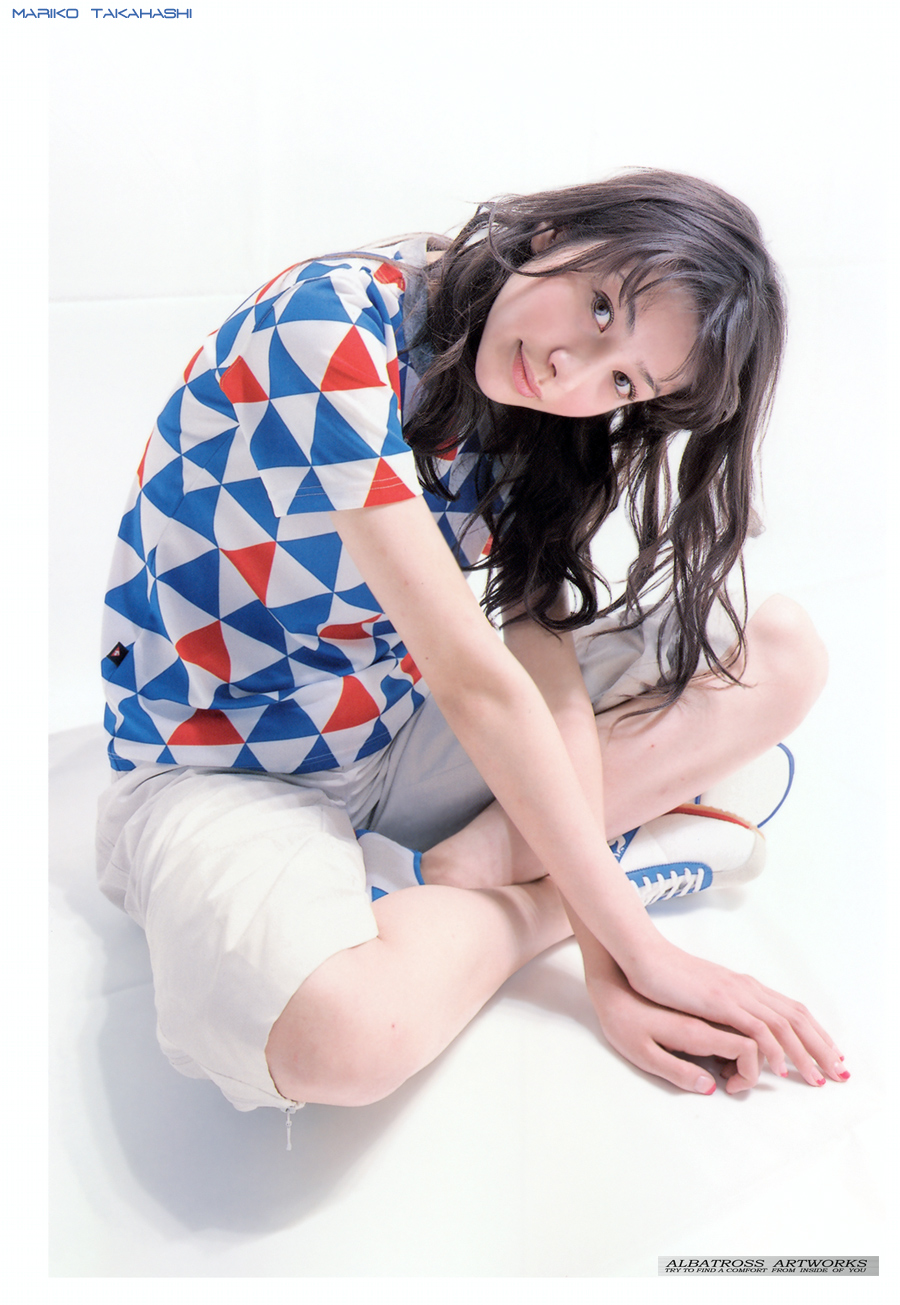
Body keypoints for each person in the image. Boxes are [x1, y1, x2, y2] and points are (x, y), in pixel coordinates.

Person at [96, 168, 843, 1126]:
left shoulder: (543, 416)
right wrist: (632, 946)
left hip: (395, 736)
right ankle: (546, 892)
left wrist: (607, 966)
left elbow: (541, 665)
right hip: (220, 770)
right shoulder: (326, 328)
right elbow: (475, 679)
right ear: (557, 233)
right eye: (600, 307)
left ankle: (470, 866)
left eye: (624, 381)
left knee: (780, 652)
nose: (571, 374)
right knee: (341, 1039)